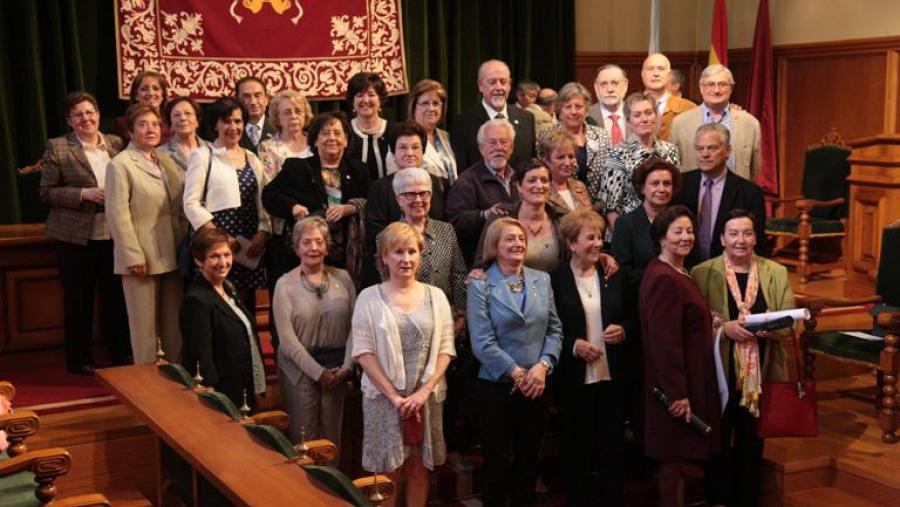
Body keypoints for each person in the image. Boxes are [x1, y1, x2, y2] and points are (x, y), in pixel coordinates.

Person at [691, 210, 794, 507]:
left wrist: (766, 328)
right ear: (722, 238)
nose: (741, 240)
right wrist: (725, 328)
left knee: (752, 443)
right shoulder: (703, 272)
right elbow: (695, 327)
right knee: (718, 442)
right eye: (733, 234)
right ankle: (717, 500)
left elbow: (790, 322)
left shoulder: (776, 271)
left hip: (760, 374)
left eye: (747, 233)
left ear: (756, 237)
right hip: (720, 372)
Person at [352, 222, 456, 507]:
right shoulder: (368, 298)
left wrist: (421, 394)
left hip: (426, 398)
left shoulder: (437, 296)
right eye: (398, 252)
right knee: (388, 473)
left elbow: (446, 349)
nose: (406, 259)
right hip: (384, 399)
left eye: (412, 251)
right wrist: (395, 397)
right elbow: (363, 352)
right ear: (384, 257)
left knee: (419, 469)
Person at [467, 218, 563, 507]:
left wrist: (544, 365)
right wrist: (518, 375)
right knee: (497, 463)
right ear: (494, 246)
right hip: (496, 387)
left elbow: (555, 330)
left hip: (538, 385)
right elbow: (482, 342)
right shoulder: (480, 284)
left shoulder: (541, 279)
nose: (518, 244)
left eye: (521, 238)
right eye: (509, 239)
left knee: (529, 461)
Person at [39, 91, 130, 374]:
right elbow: (46, 192)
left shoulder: (116, 143)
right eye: (78, 115)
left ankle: (121, 356)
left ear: (99, 114)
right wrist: (83, 194)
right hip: (75, 237)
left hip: (113, 234)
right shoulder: (58, 147)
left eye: (89, 112)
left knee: (115, 299)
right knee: (79, 300)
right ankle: (79, 360)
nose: (85, 119)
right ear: (69, 121)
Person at [551, 209, 636, 507]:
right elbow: (549, 327)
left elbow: (632, 318)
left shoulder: (614, 274)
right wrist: (573, 345)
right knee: (576, 449)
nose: (598, 243)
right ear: (572, 243)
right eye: (591, 238)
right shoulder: (555, 279)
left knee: (612, 449)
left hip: (612, 377)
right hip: (574, 378)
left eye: (600, 237)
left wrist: (623, 331)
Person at [640, 205, 720, 507]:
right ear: (662, 237)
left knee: (682, 457)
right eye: (678, 232)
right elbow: (664, 342)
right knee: (672, 463)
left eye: (689, 231)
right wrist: (677, 393)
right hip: (673, 388)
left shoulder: (678, 272)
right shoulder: (663, 277)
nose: (686, 237)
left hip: (686, 380)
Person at [105, 104, 185, 364]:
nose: (151, 129)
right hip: (141, 258)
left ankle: (177, 385)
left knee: (173, 328)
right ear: (130, 131)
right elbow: (117, 215)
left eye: (154, 124)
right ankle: (149, 391)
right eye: (142, 124)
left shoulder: (166, 160)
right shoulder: (120, 164)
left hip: (171, 252)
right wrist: (132, 255)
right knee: (145, 333)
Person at [273, 217, 355, 448]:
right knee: (304, 441)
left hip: (337, 370)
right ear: (296, 247)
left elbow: (355, 328)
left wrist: (347, 368)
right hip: (299, 372)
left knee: (332, 441)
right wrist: (318, 373)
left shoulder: (344, 278)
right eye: (306, 242)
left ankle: (331, 484)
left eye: (319, 241)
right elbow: (287, 341)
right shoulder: (284, 285)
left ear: (327, 246)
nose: (314, 248)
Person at [262, 111, 369, 284]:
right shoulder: (296, 167)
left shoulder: (359, 170)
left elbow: (372, 202)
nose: (331, 138)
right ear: (315, 140)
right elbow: (269, 195)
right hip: (306, 253)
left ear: (346, 140)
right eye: (325, 133)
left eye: (337, 133)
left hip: (347, 254)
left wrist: (350, 208)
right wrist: (292, 206)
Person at [183, 97, 270, 310]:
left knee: (244, 304)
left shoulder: (252, 158)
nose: (234, 127)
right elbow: (191, 203)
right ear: (215, 124)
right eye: (227, 121)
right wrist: (221, 239)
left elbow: (263, 200)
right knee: (217, 302)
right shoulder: (203, 156)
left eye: (238, 121)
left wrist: (262, 231)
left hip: (248, 242)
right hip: (216, 239)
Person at [180, 228, 267, 408]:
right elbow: (199, 353)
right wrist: (211, 394)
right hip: (222, 392)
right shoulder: (196, 300)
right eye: (214, 256)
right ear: (199, 261)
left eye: (227, 254)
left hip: (242, 385)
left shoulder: (228, 287)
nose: (223, 262)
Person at [257, 91, 315, 340]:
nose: (294, 116)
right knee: (284, 296)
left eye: (298, 111)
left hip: (317, 232)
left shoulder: (316, 142)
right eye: (287, 112)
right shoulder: (268, 148)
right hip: (284, 233)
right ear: (276, 118)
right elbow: (268, 190)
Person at [672, 123, 766, 265]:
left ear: (728, 151)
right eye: (699, 148)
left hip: (729, 271)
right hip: (684, 269)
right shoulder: (679, 185)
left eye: (712, 148)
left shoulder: (749, 193)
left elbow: (756, 243)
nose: (704, 154)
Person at [366, 122, 448, 267]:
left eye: (415, 147)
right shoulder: (380, 187)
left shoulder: (437, 183)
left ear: (423, 151)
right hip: (396, 264)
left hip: (435, 263)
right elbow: (376, 235)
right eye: (403, 147)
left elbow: (444, 226)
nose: (410, 153)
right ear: (392, 152)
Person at [445, 119, 519, 266]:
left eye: (504, 142)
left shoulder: (520, 179)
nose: (498, 147)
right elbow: (454, 223)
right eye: (492, 143)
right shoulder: (466, 182)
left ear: (512, 148)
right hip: (484, 266)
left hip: (517, 261)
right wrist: (484, 215)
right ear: (481, 149)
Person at [670, 64, 762, 180]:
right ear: (701, 88)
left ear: (731, 88)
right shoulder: (680, 123)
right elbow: (673, 167)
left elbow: (755, 169)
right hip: (694, 195)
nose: (716, 90)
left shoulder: (750, 124)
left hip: (737, 195)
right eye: (710, 84)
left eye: (722, 85)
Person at [603, 92, 681, 229]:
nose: (644, 119)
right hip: (629, 230)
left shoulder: (670, 150)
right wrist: (622, 237)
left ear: (657, 117)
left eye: (648, 113)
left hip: (665, 230)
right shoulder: (617, 154)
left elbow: (675, 195)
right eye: (637, 115)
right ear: (628, 121)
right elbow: (611, 206)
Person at [475, 159, 565, 273]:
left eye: (544, 180)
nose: (539, 186)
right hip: (508, 287)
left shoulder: (562, 218)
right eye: (532, 180)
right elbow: (482, 260)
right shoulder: (501, 215)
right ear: (519, 186)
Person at [452, 59, 536, 171]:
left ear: (510, 85)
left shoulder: (527, 118)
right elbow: (462, 169)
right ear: (480, 85)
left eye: (503, 82)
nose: (499, 88)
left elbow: (531, 164)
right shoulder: (462, 123)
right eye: (492, 82)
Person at [611, 158, 682, 281]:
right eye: (655, 183)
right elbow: (623, 271)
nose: (662, 189)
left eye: (667, 184)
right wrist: (663, 277)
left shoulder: (682, 219)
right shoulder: (625, 223)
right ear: (642, 188)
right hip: (641, 294)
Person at [546, 82, 611, 213]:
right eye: (568, 107)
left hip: (598, 210)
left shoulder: (602, 135)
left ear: (586, 110)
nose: (574, 111)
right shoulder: (548, 136)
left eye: (578, 106)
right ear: (559, 110)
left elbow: (608, 175)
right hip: (561, 211)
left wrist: (596, 206)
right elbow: (545, 175)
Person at [402, 79, 457, 182]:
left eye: (436, 104)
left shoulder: (447, 137)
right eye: (425, 103)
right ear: (414, 107)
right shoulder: (401, 137)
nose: (431, 108)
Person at [346, 72, 395, 181]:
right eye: (359, 95)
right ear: (352, 101)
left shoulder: (394, 131)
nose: (366, 100)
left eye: (371, 94)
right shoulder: (344, 131)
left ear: (380, 99)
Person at [641, 53, 696, 141]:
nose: (656, 74)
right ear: (642, 75)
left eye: (661, 69)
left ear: (669, 75)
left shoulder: (689, 108)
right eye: (650, 69)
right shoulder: (629, 107)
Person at [540, 129, 591, 213]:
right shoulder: (541, 190)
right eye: (560, 157)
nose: (567, 163)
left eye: (571, 157)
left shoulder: (579, 186)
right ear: (546, 160)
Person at [114, 70, 171, 142]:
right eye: (144, 89)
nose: (151, 93)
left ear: (163, 96)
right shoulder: (124, 124)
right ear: (136, 96)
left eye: (156, 89)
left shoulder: (171, 124)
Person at [160, 96, 209, 172]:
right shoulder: (160, 153)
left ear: (197, 121)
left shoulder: (212, 150)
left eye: (188, 113)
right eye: (176, 115)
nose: (183, 118)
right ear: (171, 124)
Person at [587, 64, 629, 146]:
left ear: (625, 85)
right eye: (603, 84)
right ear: (596, 87)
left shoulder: (637, 114)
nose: (610, 89)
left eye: (615, 83)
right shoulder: (586, 117)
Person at [235, 76, 273, 154]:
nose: (253, 102)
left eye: (257, 95)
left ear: (266, 99)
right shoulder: (230, 132)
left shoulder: (279, 130)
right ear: (237, 100)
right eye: (247, 96)